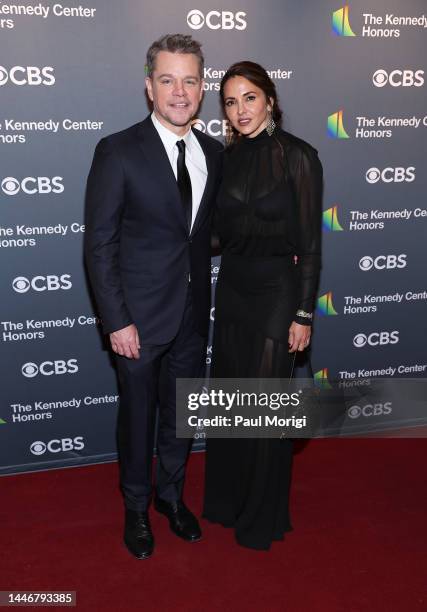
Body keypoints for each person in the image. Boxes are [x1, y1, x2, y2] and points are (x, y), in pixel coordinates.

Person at [84, 34, 222, 560]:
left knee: (181, 415)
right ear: (149, 87)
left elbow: (205, 232)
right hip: (137, 320)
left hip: (192, 315)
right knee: (138, 418)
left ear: (202, 87)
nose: (179, 91)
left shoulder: (213, 151)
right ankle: (137, 508)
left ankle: (171, 497)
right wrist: (116, 320)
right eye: (167, 80)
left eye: (189, 80)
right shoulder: (118, 150)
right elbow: (99, 244)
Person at [203, 61, 323, 550]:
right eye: (230, 102)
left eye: (249, 98)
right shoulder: (224, 159)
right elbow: (217, 235)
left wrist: (304, 313)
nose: (240, 110)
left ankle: (261, 516)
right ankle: (229, 503)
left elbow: (311, 244)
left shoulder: (298, 157)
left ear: (270, 100)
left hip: (277, 294)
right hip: (231, 289)